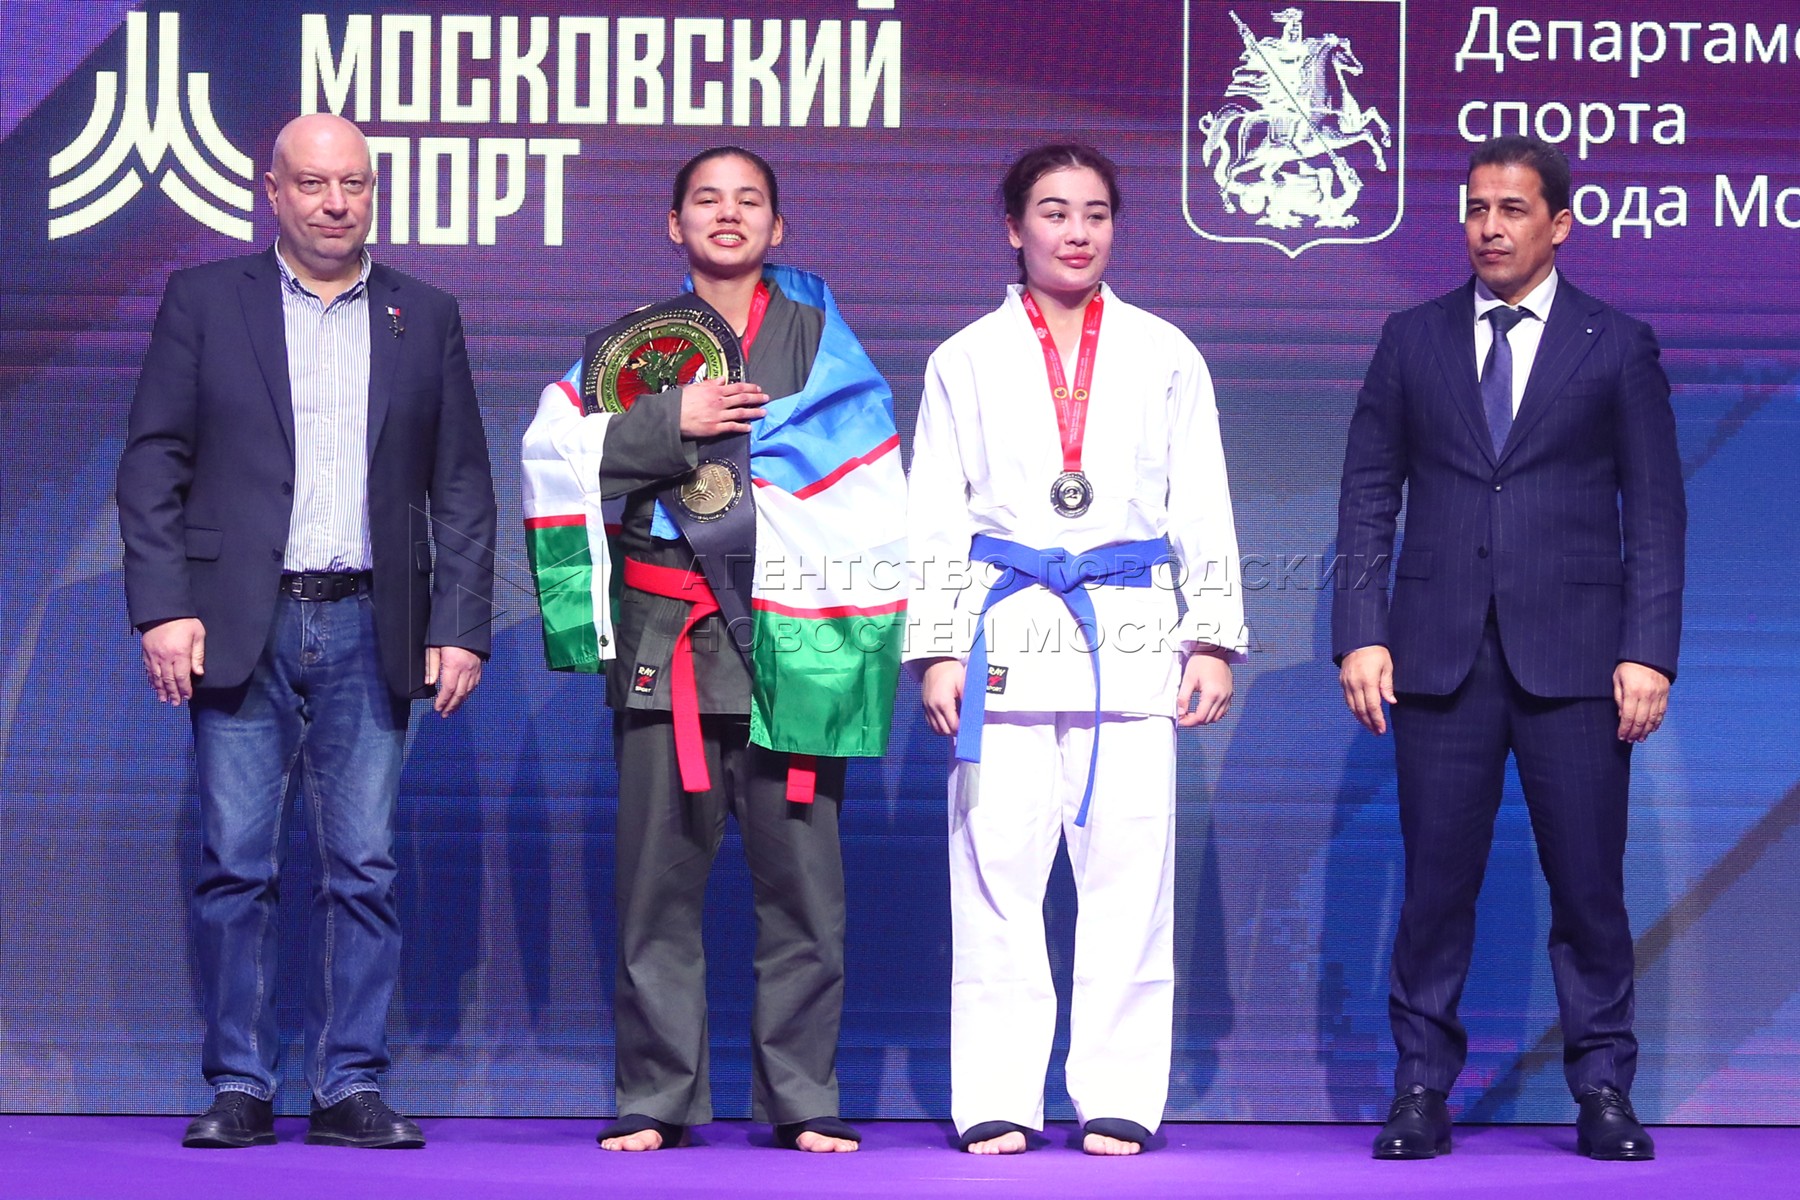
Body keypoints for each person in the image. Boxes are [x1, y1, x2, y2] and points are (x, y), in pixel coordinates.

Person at [117, 113, 497, 1150]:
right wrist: (162, 606)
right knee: (236, 865)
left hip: (374, 621)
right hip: (237, 621)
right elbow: (152, 464)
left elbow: (463, 484)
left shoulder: (425, 313)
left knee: (362, 867)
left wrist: (462, 624)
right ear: (272, 191)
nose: (337, 203)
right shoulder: (204, 301)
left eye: (354, 185)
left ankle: (349, 1086)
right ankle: (242, 1083)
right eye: (315, 184)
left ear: (372, 193)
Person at [520, 146, 905, 1153]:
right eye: (706, 200)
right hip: (671, 643)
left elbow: (865, 485)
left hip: (797, 641)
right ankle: (657, 1096)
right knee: (656, 888)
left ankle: (802, 1095)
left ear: (778, 226)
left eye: (749, 201)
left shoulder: (822, 341)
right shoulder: (633, 347)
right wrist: (667, 418)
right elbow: (552, 450)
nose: (728, 214)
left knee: (806, 890)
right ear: (674, 224)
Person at [1333, 135, 1684, 1162]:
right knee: (1435, 889)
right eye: (1478, 208)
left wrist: (1649, 651)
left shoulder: (1616, 344)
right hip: (1437, 658)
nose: (1490, 227)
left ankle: (1604, 1089)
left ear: (1559, 224)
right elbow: (1367, 495)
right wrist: (1361, 630)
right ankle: (1419, 1088)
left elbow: (1655, 512)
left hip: (1579, 662)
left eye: (1514, 209)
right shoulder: (1412, 338)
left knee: (1590, 890)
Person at [905, 143, 1248, 1156]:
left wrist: (1212, 638)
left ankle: (1119, 1094)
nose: (1077, 232)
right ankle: (998, 1095)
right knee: (994, 881)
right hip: (1002, 629)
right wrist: (935, 648)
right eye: (1054, 212)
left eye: (1095, 213)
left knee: (1130, 881)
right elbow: (935, 512)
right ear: (1014, 229)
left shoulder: (1165, 352)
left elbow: (1203, 501)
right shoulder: (964, 357)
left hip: (1129, 632)